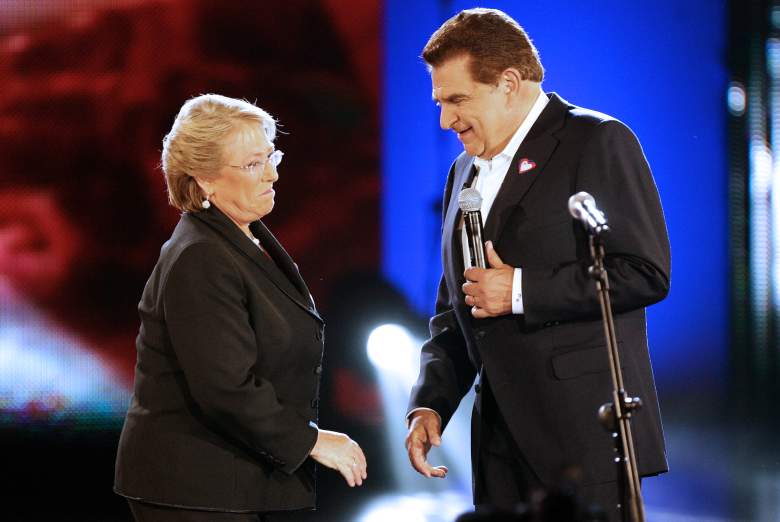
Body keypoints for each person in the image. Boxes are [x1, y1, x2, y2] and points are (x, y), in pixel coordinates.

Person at [404, 8, 670, 521]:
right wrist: (431, 402)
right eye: (440, 102)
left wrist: (520, 291)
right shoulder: (463, 169)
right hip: (499, 446)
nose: (445, 120)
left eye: (457, 100)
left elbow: (644, 271)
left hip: (583, 436)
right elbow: (458, 302)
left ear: (508, 83)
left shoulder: (595, 141)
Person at [114, 94, 367, 521]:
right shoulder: (201, 257)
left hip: (234, 482)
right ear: (205, 179)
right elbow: (225, 387)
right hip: (196, 488)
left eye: (271, 156)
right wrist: (311, 441)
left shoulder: (242, 237)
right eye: (253, 164)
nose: (272, 174)